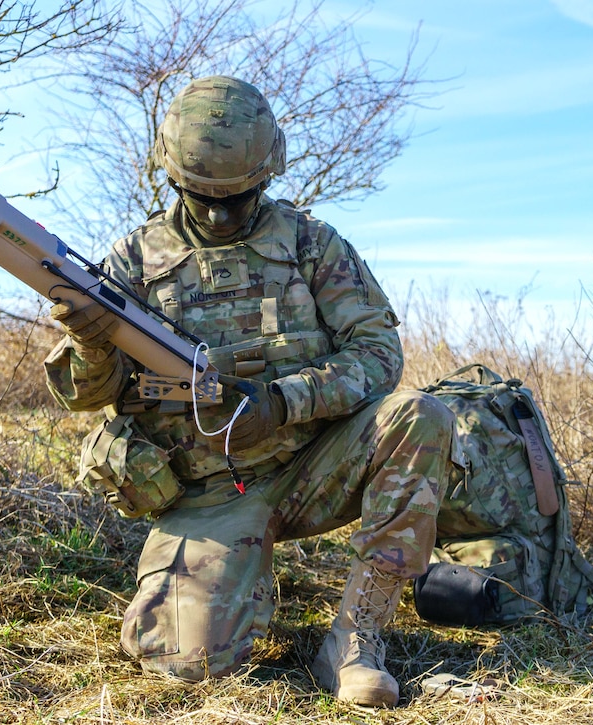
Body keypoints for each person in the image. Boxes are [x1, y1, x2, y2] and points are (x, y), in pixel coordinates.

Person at [44, 75, 456, 708]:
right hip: (207, 492)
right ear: (168, 173)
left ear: (270, 173)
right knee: (189, 664)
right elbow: (89, 396)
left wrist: (284, 401)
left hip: (312, 467)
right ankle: (237, 574)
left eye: (237, 198)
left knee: (419, 416)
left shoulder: (311, 245)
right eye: (200, 196)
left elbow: (379, 355)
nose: (217, 215)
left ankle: (354, 638)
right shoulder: (132, 262)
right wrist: (92, 343)